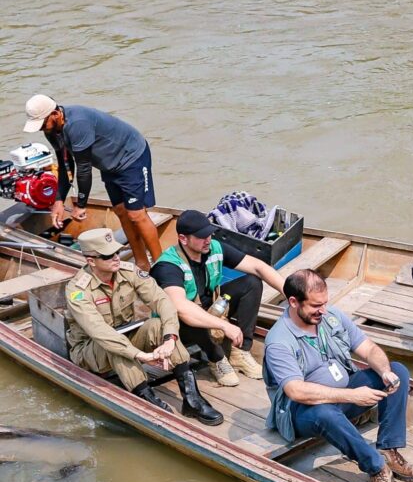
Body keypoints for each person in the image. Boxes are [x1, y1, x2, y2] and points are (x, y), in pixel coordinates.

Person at [262, 269, 413, 482]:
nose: (323, 311)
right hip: (304, 413)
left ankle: (390, 451)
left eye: (325, 303)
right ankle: (377, 468)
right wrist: (353, 395)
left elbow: (369, 349)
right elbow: (296, 391)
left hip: (344, 398)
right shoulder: (279, 341)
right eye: (316, 306)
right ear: (293, 302)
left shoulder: (331, 317)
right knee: (324, 412)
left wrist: (384, 372)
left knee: (397, 370)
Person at [65, 228, 222, 425]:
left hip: (127, 331)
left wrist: (170, 339)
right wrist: (140, 355)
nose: (115, 258)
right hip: (91, 350)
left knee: (157, 325)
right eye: (107, 256)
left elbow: (162, 301)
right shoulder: (77, 291)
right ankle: (147, 400)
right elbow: (100, 333)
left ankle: (192, 398)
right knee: (115, 346)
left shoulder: (127, 271)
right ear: (91, 261)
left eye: (117, 252)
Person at [23, 94, 163, 272]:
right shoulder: (52, 131)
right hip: (109, 164)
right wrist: (58, 201)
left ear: (55, 114)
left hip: (131, 157)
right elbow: (66, 166)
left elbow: (83, 168)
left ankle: (161, 266)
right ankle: (142, 262)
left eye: (43, 124)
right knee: (121, 212)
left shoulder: (77, 124)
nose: (42, 129)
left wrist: (81, 205)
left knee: (136, 215)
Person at [150, 210, 286, 387]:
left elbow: (258, 266)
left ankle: (240, 351)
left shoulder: (213, 247)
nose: (208, 239)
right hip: (178, 326)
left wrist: (291, 293)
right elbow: (182, 308)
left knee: (252, 282)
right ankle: (217, 359)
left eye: (209, 233)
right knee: (188, 314)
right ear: (183, 239)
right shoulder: (168, 266)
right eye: (201, 236)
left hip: (210, 309)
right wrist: (224, 325)